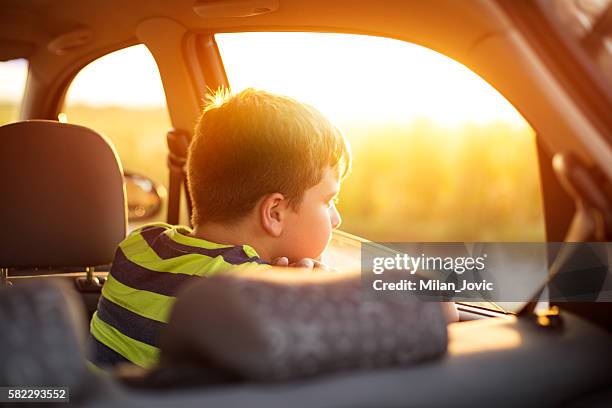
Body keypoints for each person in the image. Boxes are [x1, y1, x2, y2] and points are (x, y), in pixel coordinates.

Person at [89, 88, 351, 368]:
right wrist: (307, 296)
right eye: (329, 201)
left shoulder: (138, 245)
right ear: (274, 213)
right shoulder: (254, 294)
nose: (336, 220)